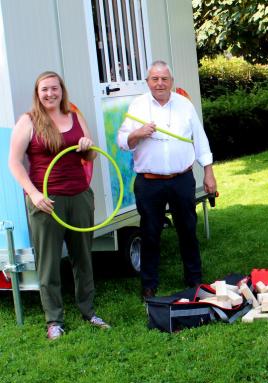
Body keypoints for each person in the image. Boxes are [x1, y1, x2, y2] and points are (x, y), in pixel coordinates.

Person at [8, 71, 110, 340]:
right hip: (45, 200)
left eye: (54, 88)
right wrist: (33, 194)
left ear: (62, 91)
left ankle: (89, 312)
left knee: (83, 257)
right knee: (49, 262)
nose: (50, 94)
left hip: (79, 196)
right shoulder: (28, 121)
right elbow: (14, 162)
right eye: (44, 89)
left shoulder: (75, 117)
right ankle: (54, 320)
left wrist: (87, 147)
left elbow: (89, 155)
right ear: (37, 93)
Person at [117, 60, 217, 300]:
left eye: (164, 79)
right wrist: (137, 133)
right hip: (149, 182)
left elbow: (200, 139)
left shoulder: (184, 105)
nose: (160, 83)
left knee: (188, 229)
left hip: (181, 179)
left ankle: (194, 280)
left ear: (171, 82)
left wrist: (208, 172)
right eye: (155, 79)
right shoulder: (138, 105)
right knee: (150, 233)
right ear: (147, 82)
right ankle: (149, 285)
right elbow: (122, 142)